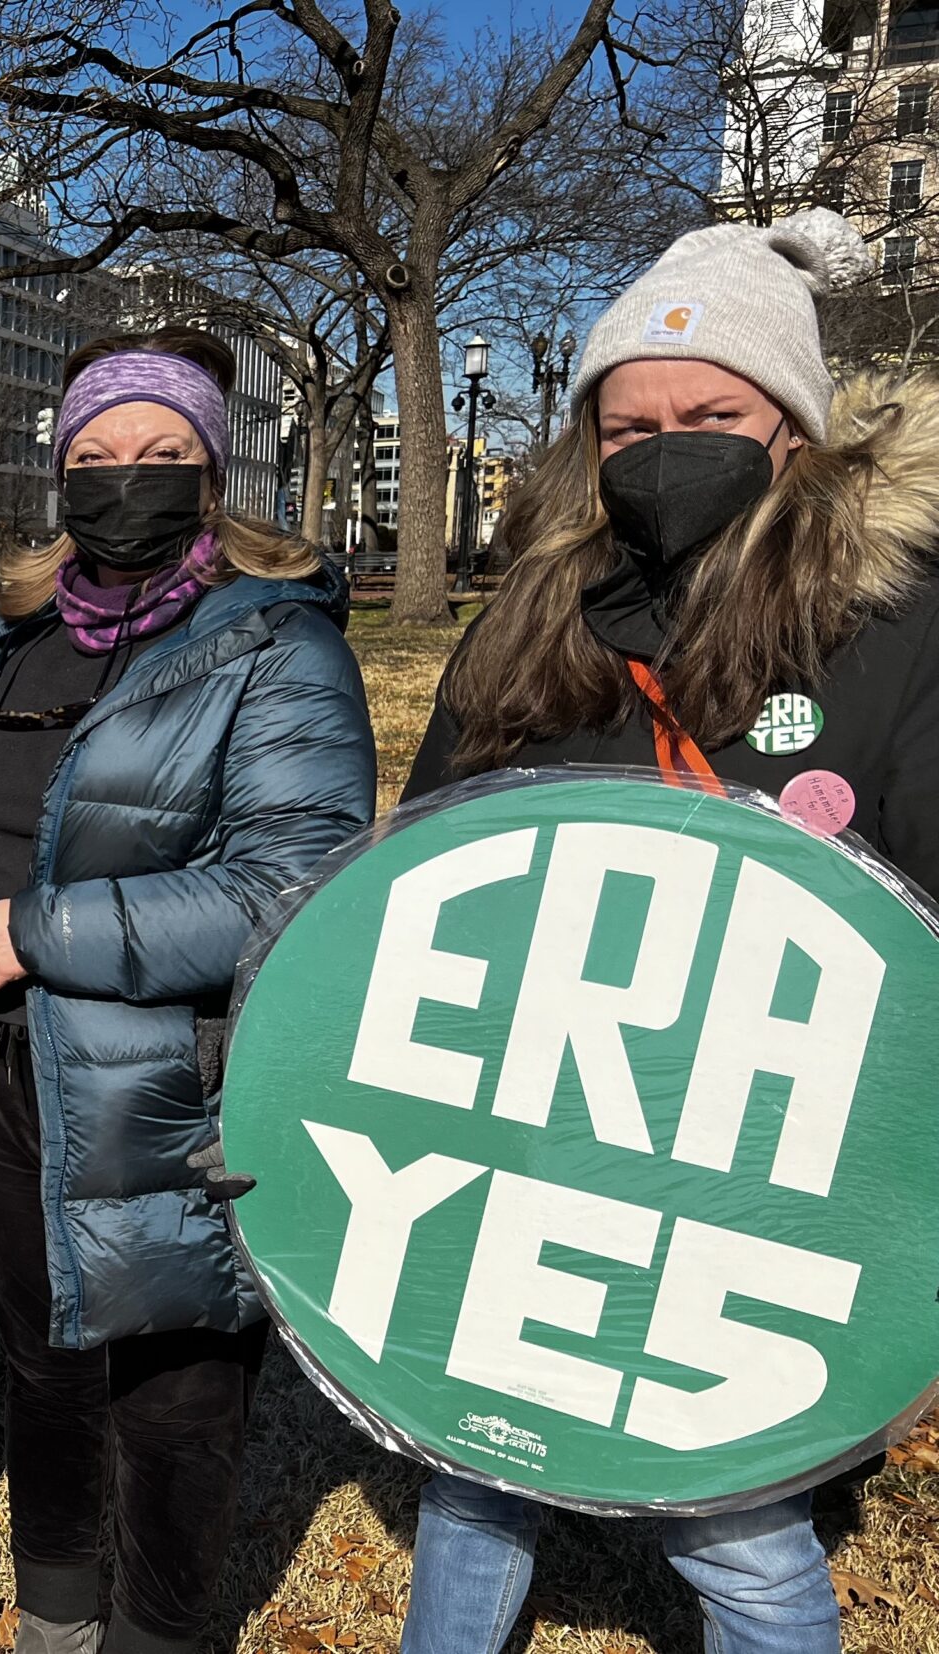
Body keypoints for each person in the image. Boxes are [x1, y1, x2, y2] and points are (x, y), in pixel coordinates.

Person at [393, 209, 908, 1654]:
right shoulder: (536, 616)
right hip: (535, 1121)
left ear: (792, 427)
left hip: (754, 1154)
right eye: (629, 425)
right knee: (472, 1468)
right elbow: (421, 855)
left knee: (736, 1524)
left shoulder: (891, 625)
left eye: (710, 414)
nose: (665, 444)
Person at [0, 330, 376, 1654]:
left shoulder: (281, 644)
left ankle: (159, 1636)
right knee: (43, 1365)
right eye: (96, 455)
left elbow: (294, 889)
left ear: (215, 471)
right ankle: (55, 1618)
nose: (125, 480)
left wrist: (46, 931)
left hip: (175, 1086)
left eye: (163, 454)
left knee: (175, 1405)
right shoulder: (4, 639)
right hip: (3, 1072)